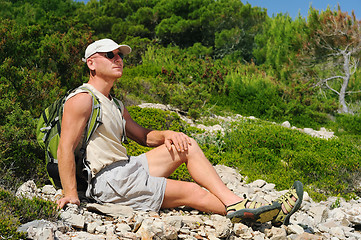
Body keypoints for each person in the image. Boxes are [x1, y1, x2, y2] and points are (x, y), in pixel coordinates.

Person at [56, 38, 303, 226]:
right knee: (193, 192)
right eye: (110, 55)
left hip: (128, 167)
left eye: (120, 55)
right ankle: (261, 212)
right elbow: (65, 147)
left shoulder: (115, 103)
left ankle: (246, 206)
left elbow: (142, 137)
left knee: (187, 145)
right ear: (91, 63)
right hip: (110, 181)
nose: (118, 59)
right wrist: (70, 195)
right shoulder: (83, 99)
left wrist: (167, 134)